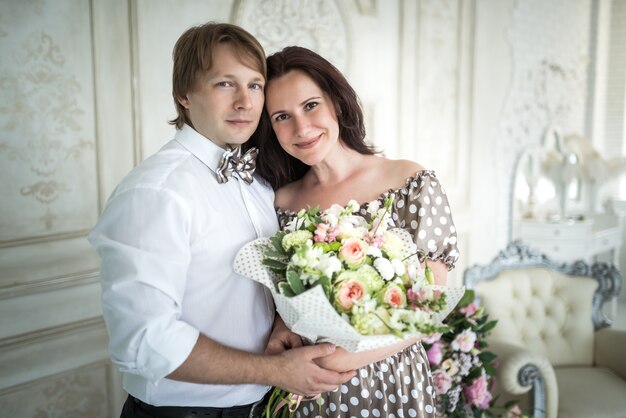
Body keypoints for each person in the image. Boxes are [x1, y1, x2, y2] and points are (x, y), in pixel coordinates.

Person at [88, 24, 355, 418]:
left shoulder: (260, 181)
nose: (246, 102)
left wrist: (279, 328)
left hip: (260, 405)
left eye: (255, 85)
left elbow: (250, 295)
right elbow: (143, 341)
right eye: (225, 85)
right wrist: (274, 370)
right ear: (183, 95)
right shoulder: (156, 192)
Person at [251, 46, 460, 417]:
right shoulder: (279, 203)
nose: (301, 128)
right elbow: (287, 289)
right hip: (308, 390)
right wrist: (282, 329)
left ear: (337, 102)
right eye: (282, 116)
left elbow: (428, 303)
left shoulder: (409, 181)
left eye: (311, 105)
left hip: (391, 382)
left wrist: (338, 361)